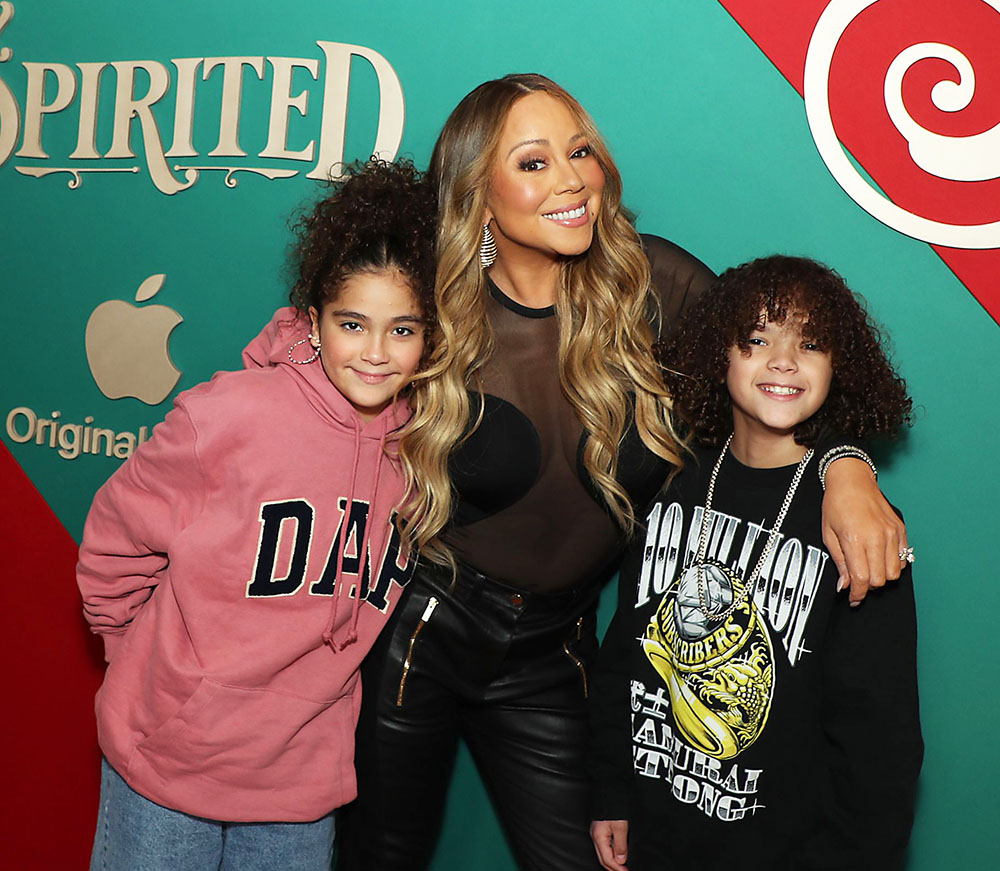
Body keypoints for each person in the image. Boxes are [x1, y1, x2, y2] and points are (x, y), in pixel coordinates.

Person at [327, 75, 910, 871]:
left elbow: (781, 366)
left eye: (580, 152)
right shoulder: (429, 300)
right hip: (421, 635)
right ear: (479, 194)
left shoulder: (656, 286)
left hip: (552, 650)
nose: (571, 179)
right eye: (533, 163)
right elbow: (310, 370)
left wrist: (845, 466)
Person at [76, 159, 436, 871]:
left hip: (300, 785)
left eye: (402, 329)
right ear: (314, 317)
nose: (373, 351)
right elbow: (113, 545)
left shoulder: (427, 451)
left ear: (432, 336)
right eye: (353, 323)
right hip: (167, 768)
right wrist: (150, 679)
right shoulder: (228, 416)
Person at [588, 255, 923, 871]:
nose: (783, 362)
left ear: (837, 367)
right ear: (722, 354)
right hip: (656, 834)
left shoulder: (858, 524)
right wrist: (611, 789)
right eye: (757, 340)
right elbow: (625, 652)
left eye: (811, 345)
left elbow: (880, 738)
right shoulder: (673, 478)